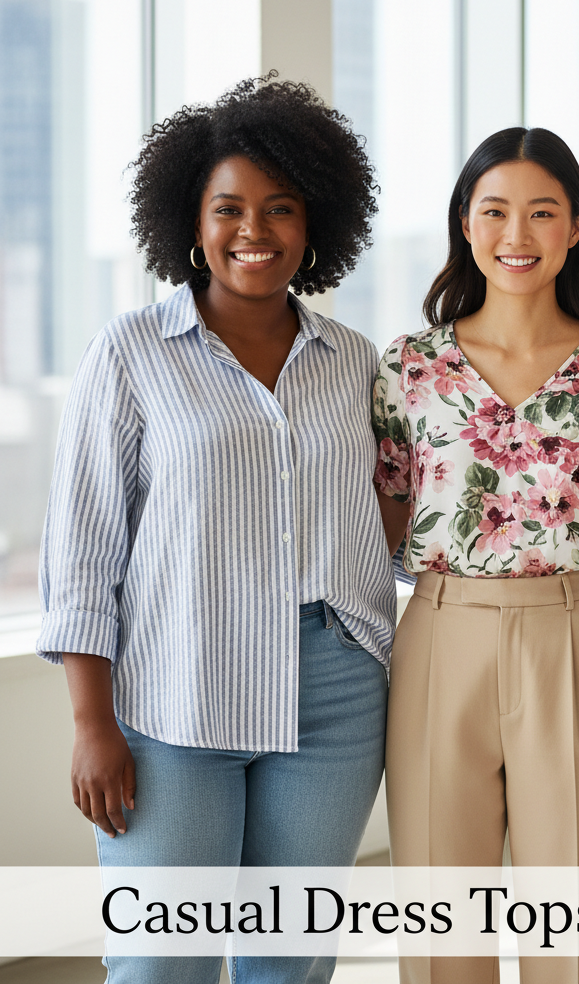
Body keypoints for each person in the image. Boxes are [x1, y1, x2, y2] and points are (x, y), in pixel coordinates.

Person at [36, 74, 393, 984]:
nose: (254, 232)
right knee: (164, 964)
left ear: (314, 225)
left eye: (280, 209)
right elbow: (82, 547)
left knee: (292, 960)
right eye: (229, 208)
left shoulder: (351, 360)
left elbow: (390, 509)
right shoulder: (129, 353)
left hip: (334, 694)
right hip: (173, 692)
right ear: (191, 223)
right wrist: (90, 723)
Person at [373, 126, 579, 984]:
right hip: (439, 631)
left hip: (572, 633)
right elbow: (386, 506)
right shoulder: (409, 367)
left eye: (542, 212)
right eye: (495, 211)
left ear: (577, 225)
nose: (517, 235)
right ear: (465, 223)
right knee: (436, 921)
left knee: (571, 921)